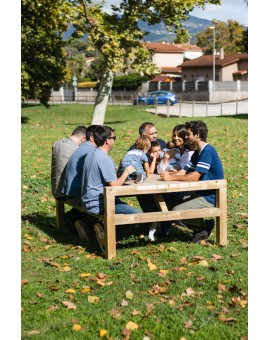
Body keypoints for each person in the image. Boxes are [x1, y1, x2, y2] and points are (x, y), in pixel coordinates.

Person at [81, 125, 144, 252]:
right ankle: (107, 238)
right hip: (99, 203)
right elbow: (114, 186)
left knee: (123, 206)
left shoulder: (91, 154)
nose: (114, 140)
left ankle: (93, 231)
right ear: (107, 140)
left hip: (87, 199)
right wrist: (127, 171)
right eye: (114, 138)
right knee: (138, 215)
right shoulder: (104, 159)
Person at [160, 120, 224, 243]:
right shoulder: (197, 153)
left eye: (188, 134)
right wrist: (167, 176)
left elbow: (194, 176)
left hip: (210, 197)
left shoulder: (208, 151)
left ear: (198, 135)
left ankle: (203, 226)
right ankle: (200, 228)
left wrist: (171, 178)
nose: (186, 137)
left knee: (176, 211)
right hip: (200, 193)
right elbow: (183, 171)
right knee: (169, 203)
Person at [61, 125, 99, 243]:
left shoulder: (82, 148)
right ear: (92, 138)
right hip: (77, 196)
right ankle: (90, 225)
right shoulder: (91, 151)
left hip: (69, 192)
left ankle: (73, 217)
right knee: (108, 200)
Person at [51, 126, 87, 232]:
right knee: (94, 196)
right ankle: (76, 221)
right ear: (83, 139)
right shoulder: (76, 150)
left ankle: (71, 218)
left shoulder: (57, 144)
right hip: (65, 192)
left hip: (56, 188)